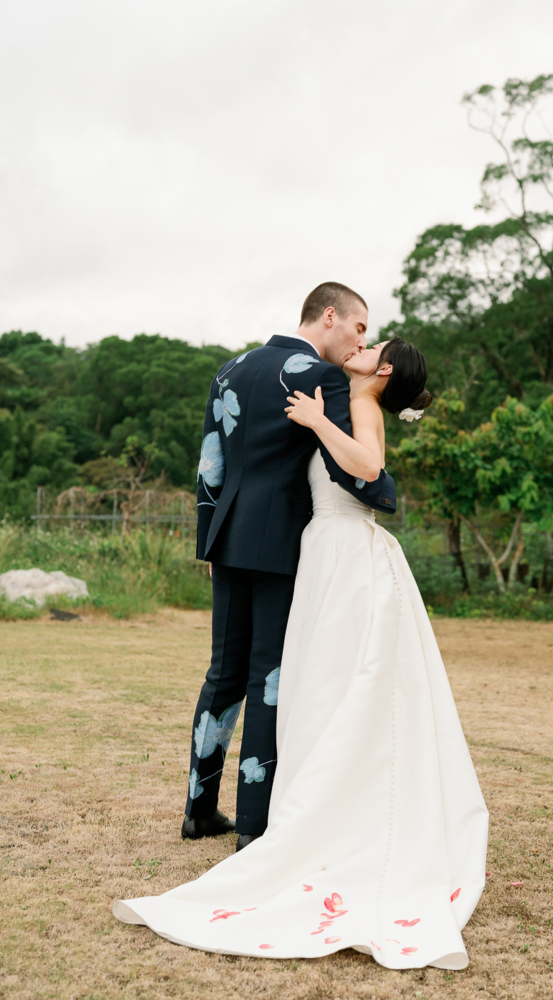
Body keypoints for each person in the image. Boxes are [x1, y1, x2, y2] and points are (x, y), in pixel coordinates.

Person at [114, 330, 489, 971]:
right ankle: (273, 811)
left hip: (345, 557)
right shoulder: (340, 391)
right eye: (361, 330)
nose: (361, 345)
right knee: (312, 686)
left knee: (328, 684)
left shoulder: (350, 401)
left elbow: (370, 470)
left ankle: (270, 815)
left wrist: (317, 419)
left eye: (374, 344)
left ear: (385, 368)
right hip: (321, 554)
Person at [179, 282, 396, 849]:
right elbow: (354, 470)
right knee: (268, 677)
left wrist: (210, 542)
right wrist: (387, 491)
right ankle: (252, 824)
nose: (359, 341)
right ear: (330, 315)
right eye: (359, 327)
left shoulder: (230, 369)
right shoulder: (321, 380)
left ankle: (199, 810)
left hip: (228, 539)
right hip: (281, 546)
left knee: (222, 675)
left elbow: (210, 465)